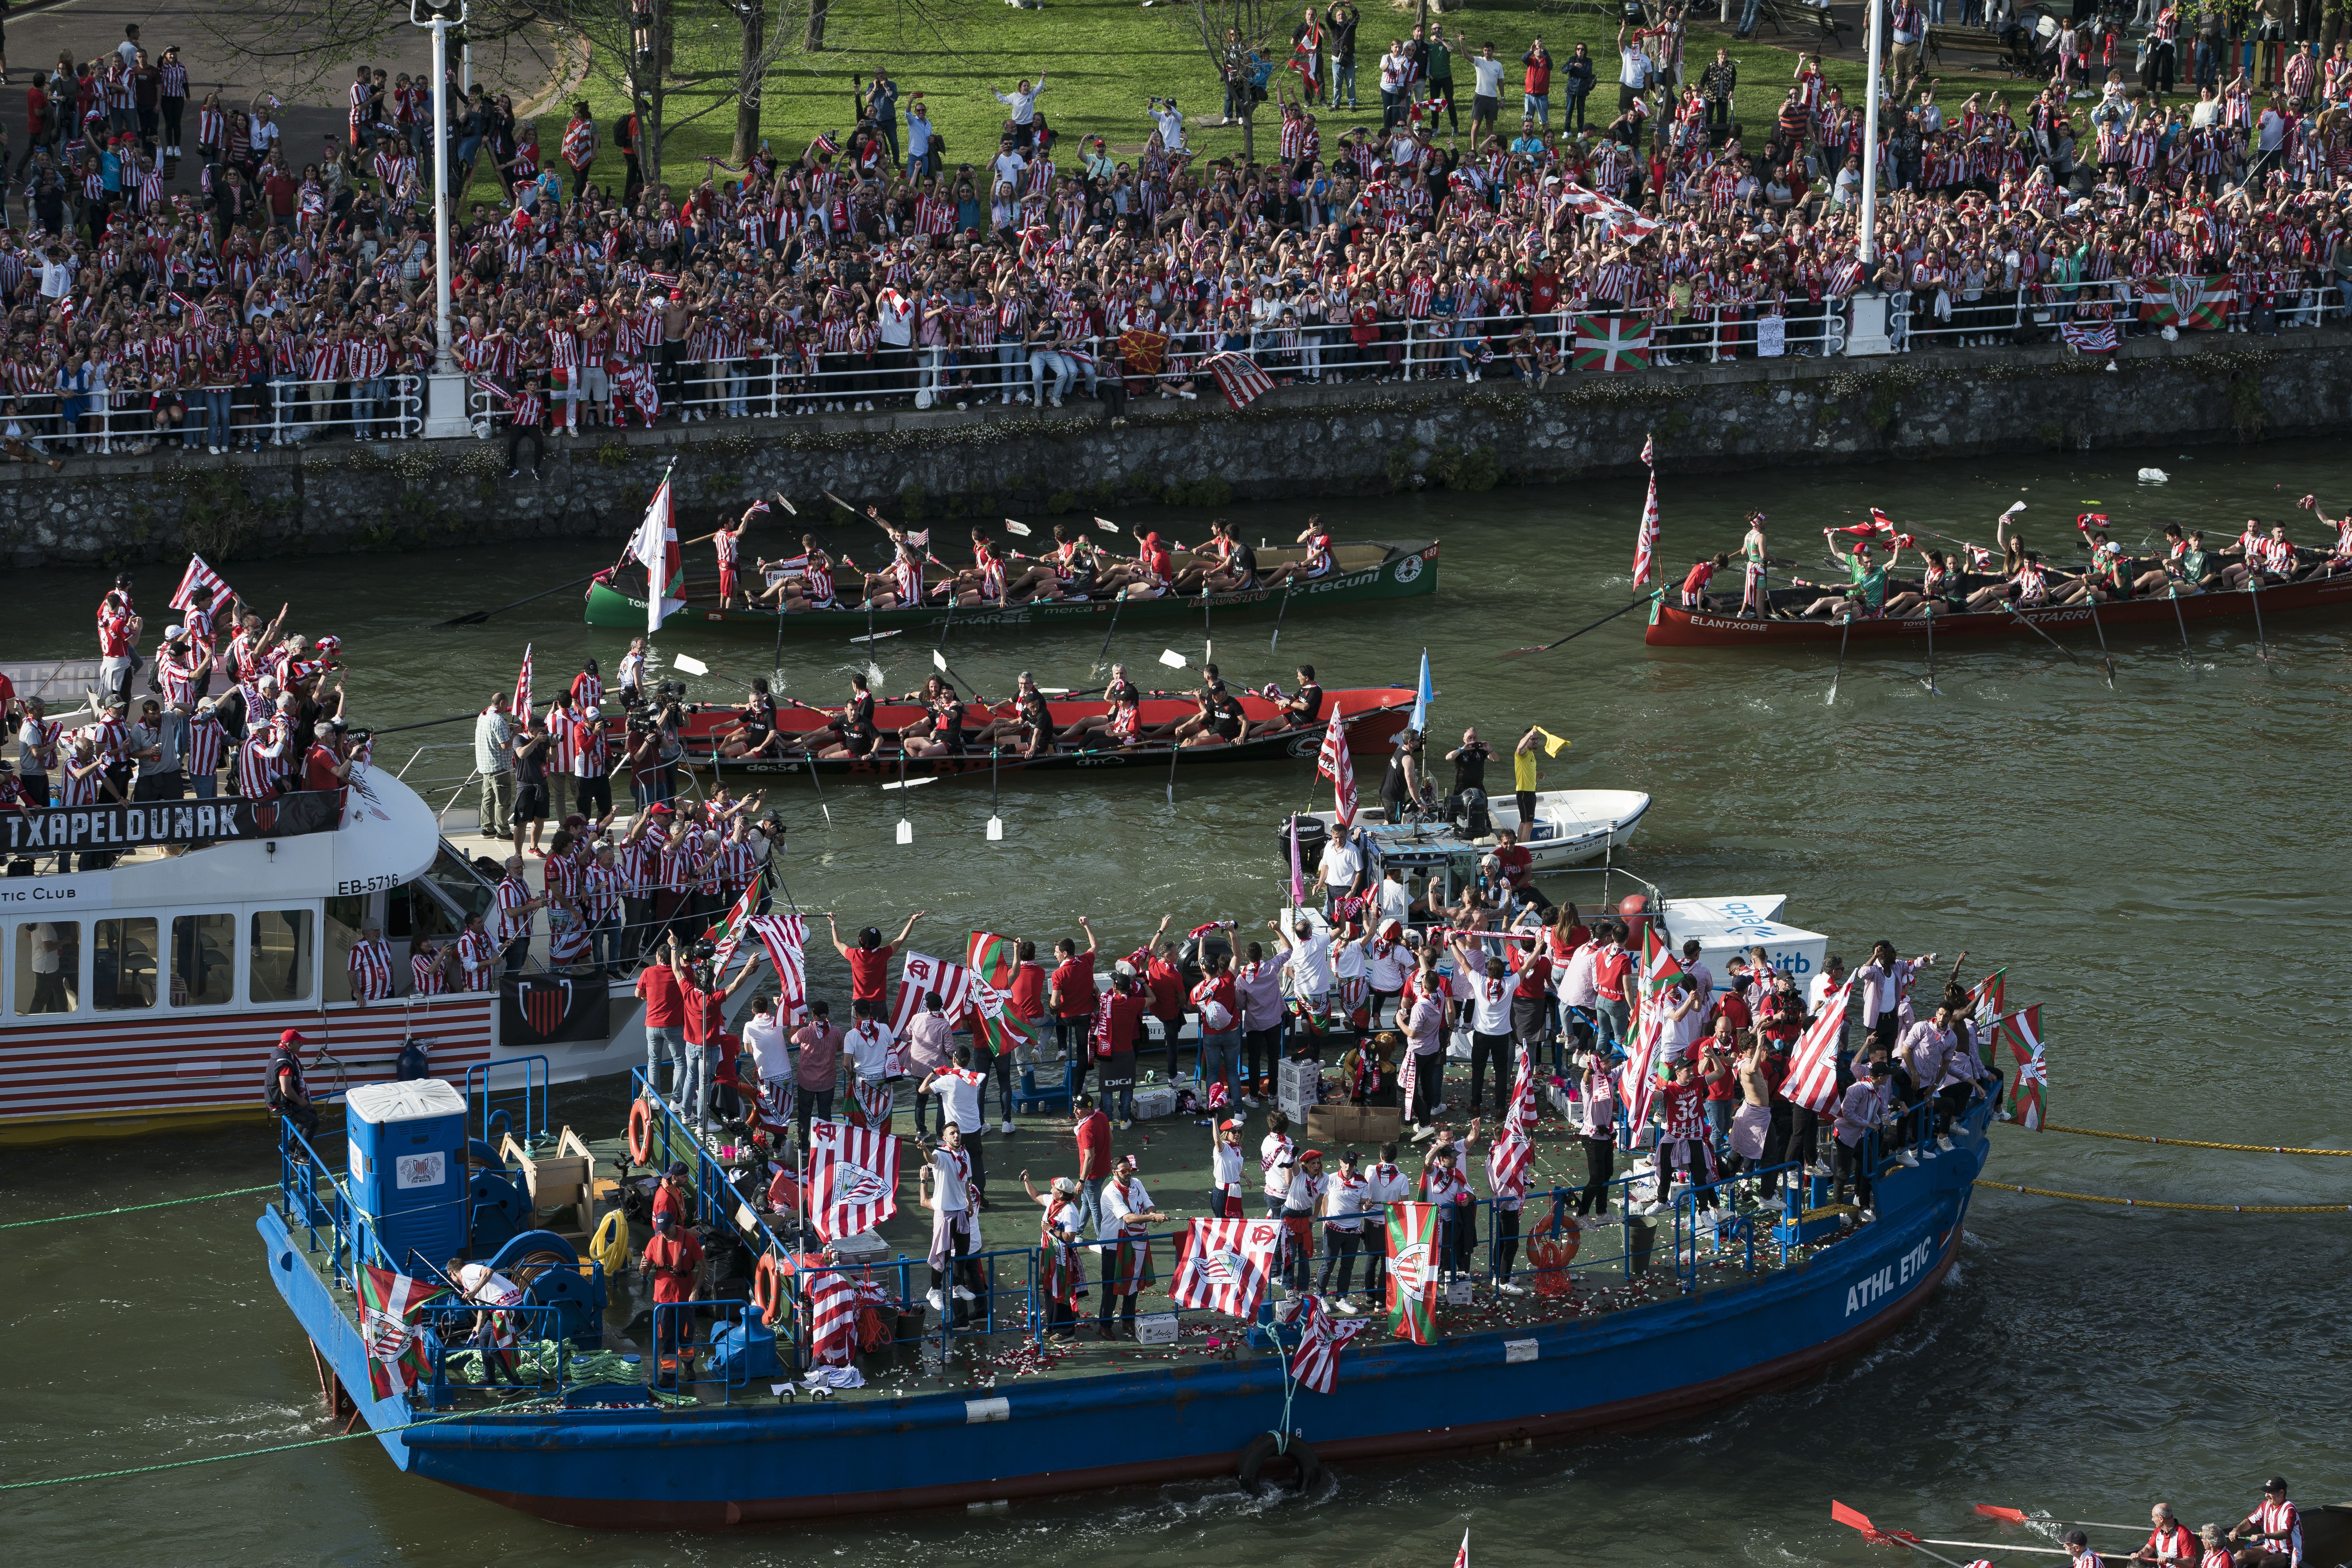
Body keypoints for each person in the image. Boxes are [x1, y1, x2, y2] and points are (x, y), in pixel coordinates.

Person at [1096, 1151, 1165, 1338]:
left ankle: (1127, 1320)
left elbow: (1148, 1202)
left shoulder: (1137, 1184)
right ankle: (1105, 1325)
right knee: (1111, 1287)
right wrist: (1153, 1217)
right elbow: (1128, 1218)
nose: (1128, 1173)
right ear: (1114, 1173)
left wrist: (1152, 1212)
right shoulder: (1111, 1192)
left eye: (1129, 1169)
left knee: (1133, 1282)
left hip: (1136, 1240)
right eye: (1123, 1170)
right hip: (1114, 1244)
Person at [919, 1121, 984, 1316]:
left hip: (960, 1210)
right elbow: (932, 1159)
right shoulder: (942, 1154)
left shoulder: (964, 1154)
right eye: (952, 1133)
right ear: (945, 1138)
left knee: (963, 1250)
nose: (956, 1135)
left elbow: (966, 1181)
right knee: (943, 1252)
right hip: (945, 1211)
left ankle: (957, 1285)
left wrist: (969, 1203)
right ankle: (935, 1289)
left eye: (958, 1132)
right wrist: (924, 1150)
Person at [639, 1209, 703, 1387]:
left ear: (674, 1225)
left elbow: (703, 1267)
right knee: (666, 1338)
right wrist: (643, 1267)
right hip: (662, 1299)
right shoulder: (654, 1242)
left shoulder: (690, 1242)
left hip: (684, 1299)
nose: (664, 1233)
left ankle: (689, 1367)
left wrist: (695, 1290)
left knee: (686, 1337)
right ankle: (668, 1377)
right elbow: (644, 1271)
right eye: (661, 1231)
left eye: (666, 1230)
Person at [2229, 1479, 2302, 1568]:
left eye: (2270, 1492)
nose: (2266, 1495)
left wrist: (2263, 1536)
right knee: (2240, 1555)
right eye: (2266, 1492)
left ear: (2281, 1492)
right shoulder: (2265, 1506)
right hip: (2269, 1548)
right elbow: (2250, 1521)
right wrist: (2237, 1530)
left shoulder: (2289, 1509)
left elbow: (2285, 1533)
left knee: (2265, 1563)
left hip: (2289, 1552)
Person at [262, 1028, 317, 1140]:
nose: (301, 1044)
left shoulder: (281, 1054)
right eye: (298, 1042)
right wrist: (300, 1100)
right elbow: (286, 1090)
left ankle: (292, 1147)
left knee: (312, 1113)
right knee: (313, 1122)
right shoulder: (285, 1063)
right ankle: (301, 1154)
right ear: (289, 1044)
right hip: (280, 1104)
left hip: (281, 1100)